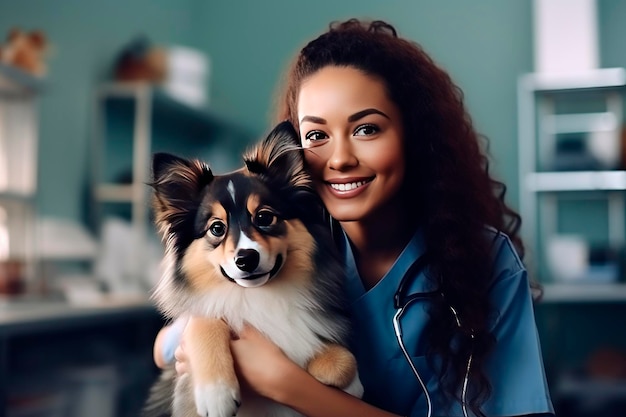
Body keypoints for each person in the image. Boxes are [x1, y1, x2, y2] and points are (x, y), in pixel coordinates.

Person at [152, 18, 555, 417]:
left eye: (366, 129)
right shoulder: (292, 244)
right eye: (316, 136)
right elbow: (172, 341)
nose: (341, 159)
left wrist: (286, 384)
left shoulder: (487, 260)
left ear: (413, 136)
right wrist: (199, 335)